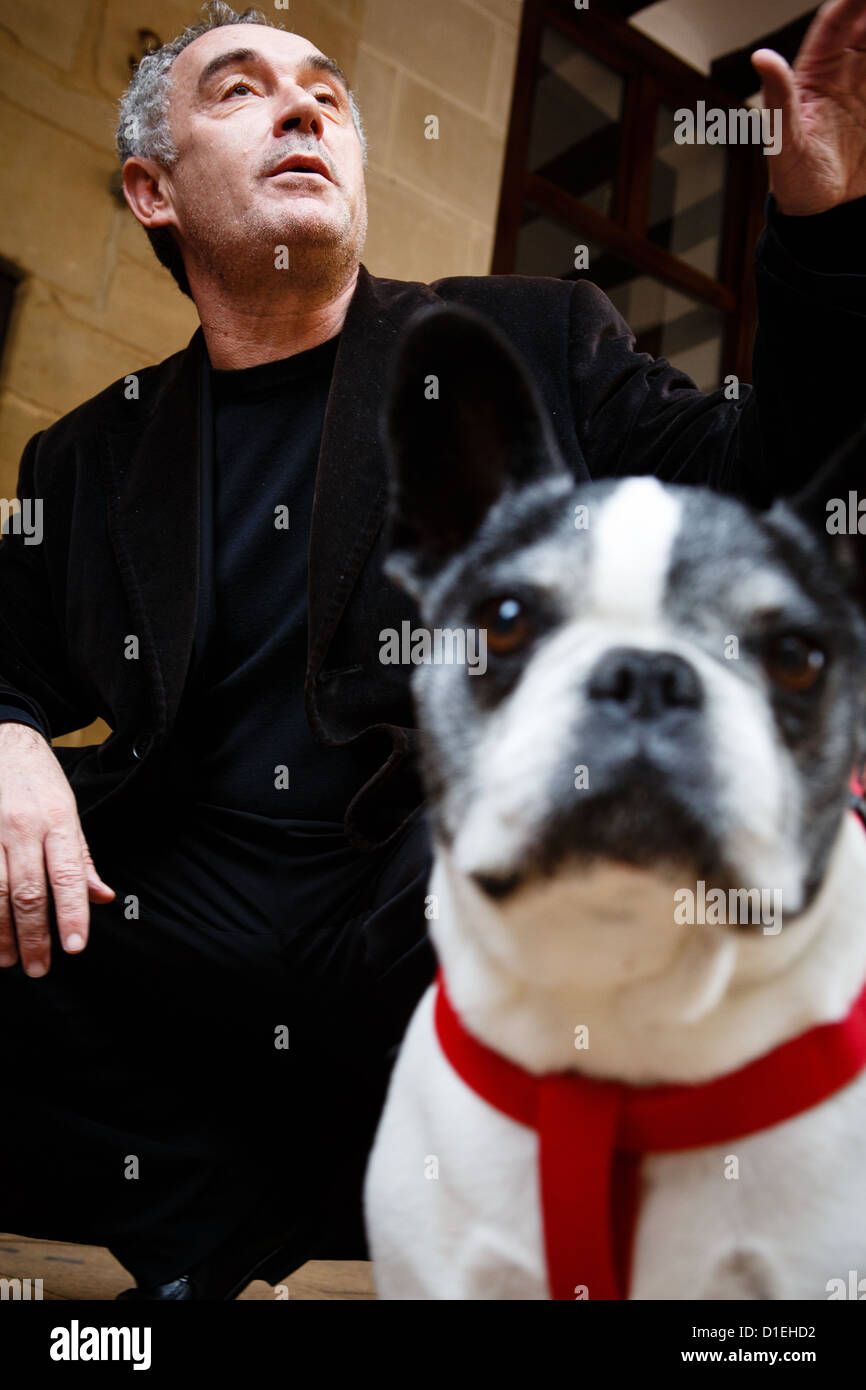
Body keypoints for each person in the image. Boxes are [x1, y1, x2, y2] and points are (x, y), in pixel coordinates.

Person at [1, 0, 865, 1300]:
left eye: (328, 94)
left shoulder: (528, 339)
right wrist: (5, 738)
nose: (302, 107)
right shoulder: (82, 457)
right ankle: (211, 1231)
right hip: (181, 907)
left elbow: (759, 495)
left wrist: (819, 237)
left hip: (429, 881)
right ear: (150, 187)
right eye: (238, 90)